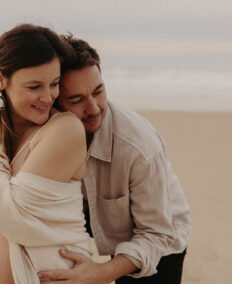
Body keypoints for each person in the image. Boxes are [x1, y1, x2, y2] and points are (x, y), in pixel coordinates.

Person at [38, 35, 192, 283]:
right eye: (76, 100)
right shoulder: (47, 128)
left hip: (159, 240)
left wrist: (99, 273)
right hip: (93, 210)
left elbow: (155, 234)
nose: (94, 108)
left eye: (99, 92)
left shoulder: (139, 148)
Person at [0, 24, 92, 284]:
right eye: (34, 86)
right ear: (1, 78)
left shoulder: (64, 129)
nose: (48, 97)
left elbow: (9, 216)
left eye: (55, 84)